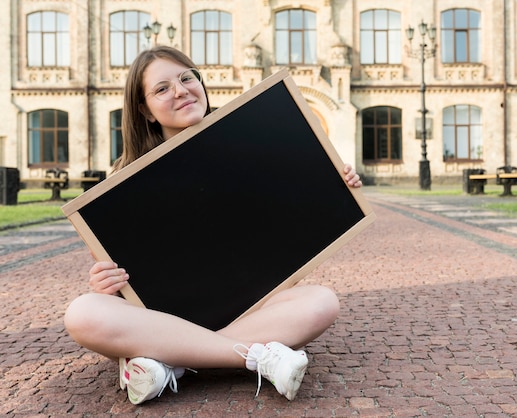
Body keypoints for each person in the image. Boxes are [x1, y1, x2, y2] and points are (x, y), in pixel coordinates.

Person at [63, 45, 363, 405]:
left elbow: (282, 253)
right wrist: (105, 284)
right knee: (84, 312)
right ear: (144, 108)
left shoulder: (251, 148)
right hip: (161, 313)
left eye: (187, 78)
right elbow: (123, 270)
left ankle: (169, 365)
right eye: (162, 88)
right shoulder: (123, 180)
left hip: (243, 307)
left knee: (321, 302)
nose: (180, 91)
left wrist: (332, 183)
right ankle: (257, 357)